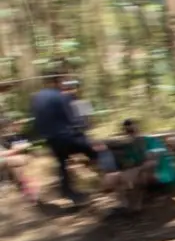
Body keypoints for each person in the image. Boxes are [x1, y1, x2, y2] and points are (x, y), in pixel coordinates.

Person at [31, 71, 103, 205]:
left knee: (62, 163)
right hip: (67, 136)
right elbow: (76, 122)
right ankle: (104, 182)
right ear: (57, 83)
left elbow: (38, 121)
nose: (68, 88)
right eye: (65, 83)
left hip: (51, 138)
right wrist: (83, 135)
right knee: (96, 151)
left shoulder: (38, 97)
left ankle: (69, 192)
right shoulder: (63, 98)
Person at [0, 117, 38, 203]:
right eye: (4, 127)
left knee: (17, 167)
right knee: (15, 162)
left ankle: (26, 192)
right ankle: (27, 192)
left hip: (7, 161)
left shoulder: (5, 138)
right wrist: (16, 150)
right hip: (4, 161)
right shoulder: (5, 138)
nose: (5, 129)